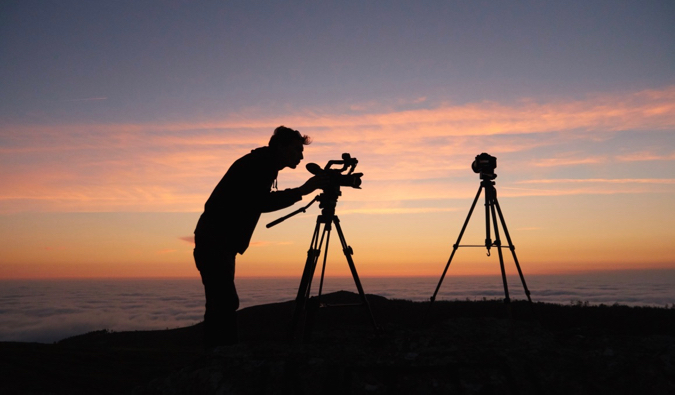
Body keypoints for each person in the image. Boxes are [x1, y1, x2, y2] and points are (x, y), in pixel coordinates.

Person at [193, 126, 326, 349]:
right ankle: (220, 357)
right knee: (223, 302)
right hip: (216, 241)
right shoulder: (260, 165)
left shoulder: (262, 163)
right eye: (296, 150)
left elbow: (256, 201)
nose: (301, 156)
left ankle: (217, 356)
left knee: (220, 302)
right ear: (280, 147)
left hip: (218, 241)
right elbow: (260, 202)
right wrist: (302, 191)